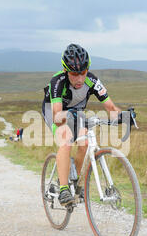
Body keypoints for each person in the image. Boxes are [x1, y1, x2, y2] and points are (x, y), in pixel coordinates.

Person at [41, 43, 123, 206]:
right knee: (66, 138)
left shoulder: (92, 81)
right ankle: (64, 189)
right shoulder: (57, 81)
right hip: (55, 111)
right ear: (66, 71)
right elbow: (57, 115)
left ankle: (76, 184)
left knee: (85, 143)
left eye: (83, 73)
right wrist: (67, 115)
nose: (79, 79)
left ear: (87, 70)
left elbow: (111, 107)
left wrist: (124, 116)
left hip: (75, 112)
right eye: (74, 74)